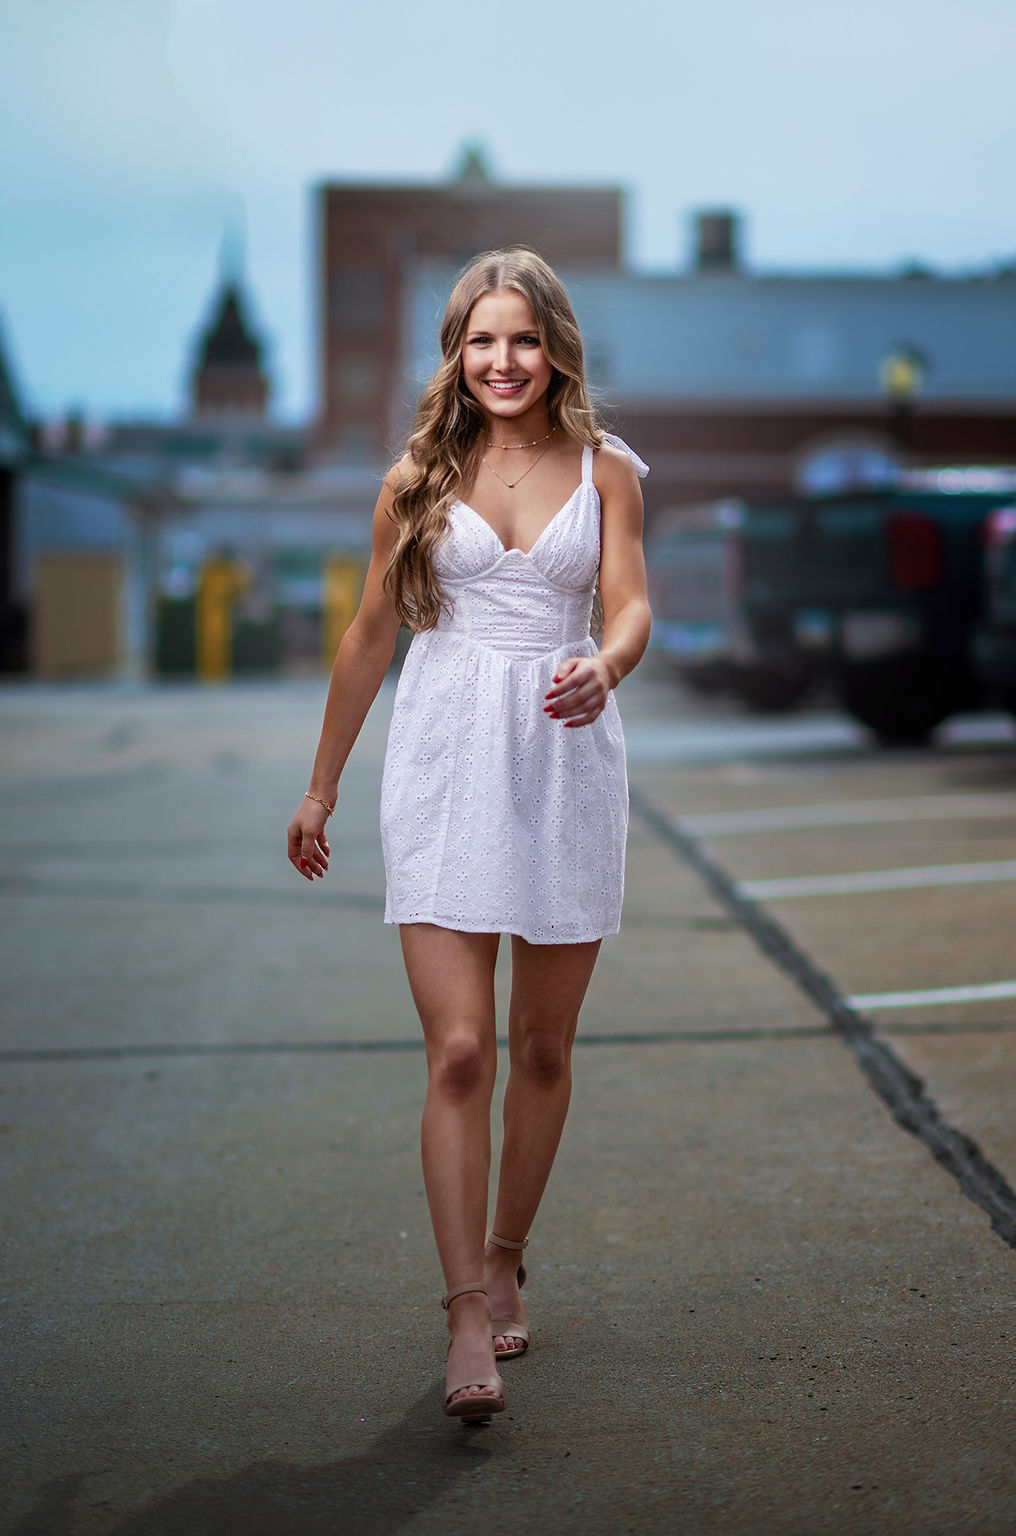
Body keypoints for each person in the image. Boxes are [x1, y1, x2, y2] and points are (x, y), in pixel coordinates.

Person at [286, 248, 651, 1424]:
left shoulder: (607, 471)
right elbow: (366, 640)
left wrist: (608, 660)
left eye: (524, 339)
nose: (502, 361)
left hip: (564, 759)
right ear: (456, 352)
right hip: (442, 763)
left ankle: (506, 1256)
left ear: (557, 350)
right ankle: (460, 1314)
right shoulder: (413, 480)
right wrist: (320, 788)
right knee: (458, 1053)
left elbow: (633, 603)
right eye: (481, 340)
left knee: (540, 1051)